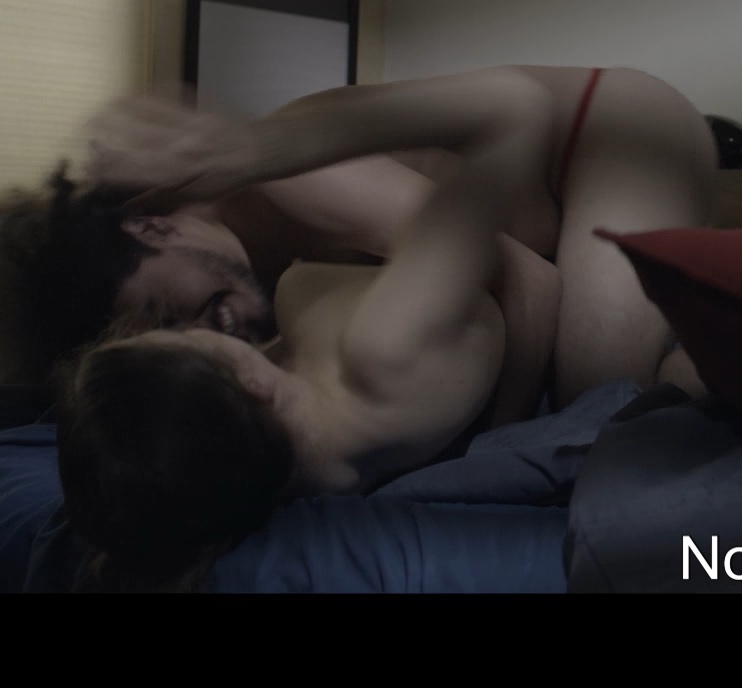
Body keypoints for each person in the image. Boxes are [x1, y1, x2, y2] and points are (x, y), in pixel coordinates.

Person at [56, 68, 559, 591]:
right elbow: (516, 109)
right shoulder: (385, 345)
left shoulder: (265, 474)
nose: (199, 331)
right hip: (528, 197)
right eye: (182, 343)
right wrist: (252, 151)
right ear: (253, 384)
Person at [0, 65, 717, 421]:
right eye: (173, 339)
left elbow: (532, 284)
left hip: (611, 135)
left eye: (167, 309)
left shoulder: (300, 183)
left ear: (152, 226)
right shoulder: (255, 286)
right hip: (557, 216)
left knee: (601, 398)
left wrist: (492, 457)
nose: (204, 335)